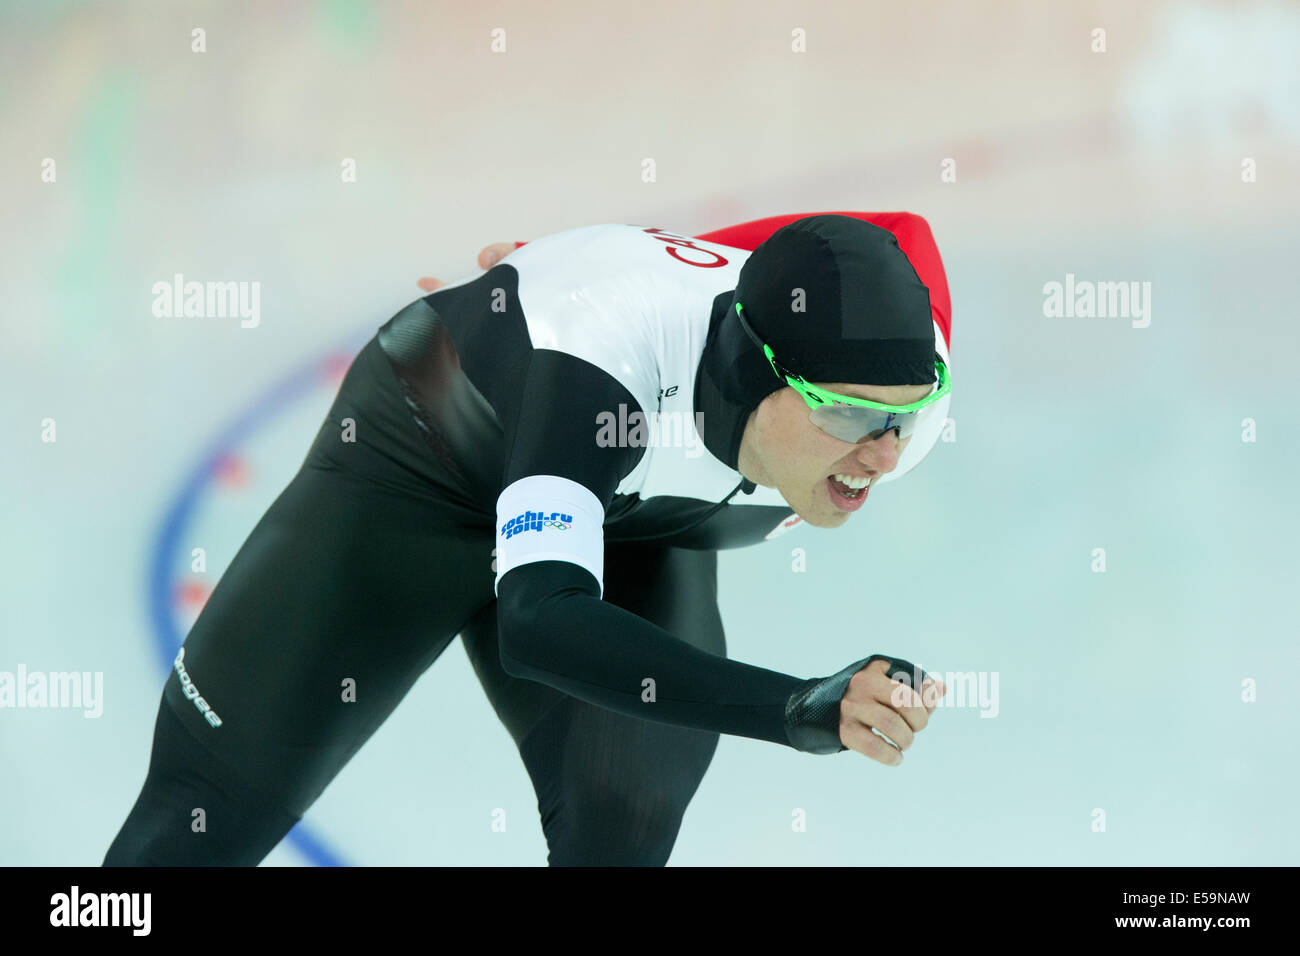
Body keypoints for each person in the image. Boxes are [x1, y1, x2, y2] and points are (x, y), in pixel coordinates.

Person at [104, 211, 952, 867]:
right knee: (199, 817)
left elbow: (884, 237)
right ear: (752, 372)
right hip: (426, 465)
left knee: (623, 819)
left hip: (630, 522)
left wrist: (578, 253)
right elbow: (540, 619)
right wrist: (794, 706)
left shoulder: (902, 392)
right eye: (846, 412)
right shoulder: (594, 359)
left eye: (904, 421)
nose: (882, 453)